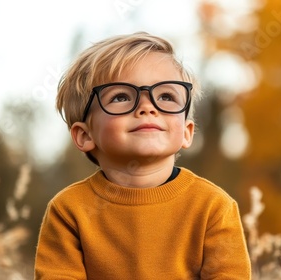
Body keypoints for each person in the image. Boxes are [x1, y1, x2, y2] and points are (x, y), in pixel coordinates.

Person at [34, 32, 251, 279]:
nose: (147, 107)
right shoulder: (68, 211)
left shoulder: (213, 208)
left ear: (187, 132)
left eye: (166, 96)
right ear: (85, 135)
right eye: (121, 97)